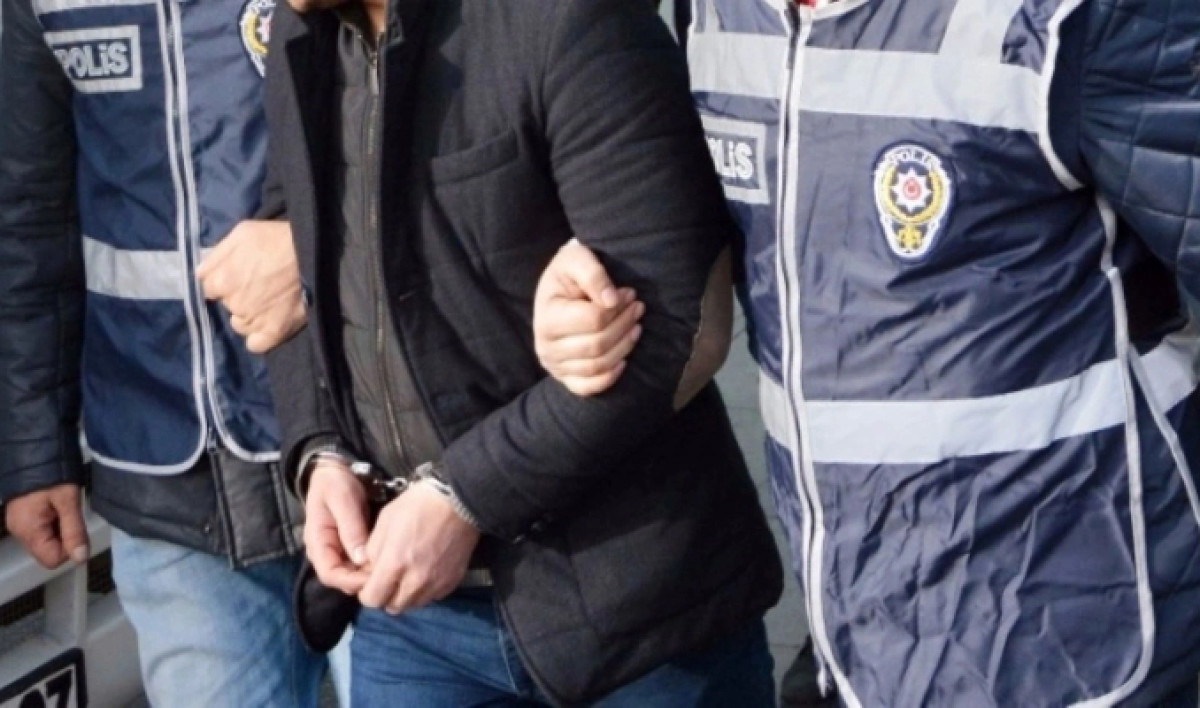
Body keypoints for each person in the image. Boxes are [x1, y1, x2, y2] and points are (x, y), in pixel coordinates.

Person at [533, 0, 1200, 705]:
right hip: (855, 635)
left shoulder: (1076, 16)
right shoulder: (714, 13)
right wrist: (592, 293)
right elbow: (749, 229)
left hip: (1078, 649)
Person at [258, 0, 785, 703]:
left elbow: (676, 326)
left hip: (637, 618)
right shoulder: (302, 31)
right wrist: (322, 452)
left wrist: (464, 498)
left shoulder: (568, 18)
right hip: (414, 623)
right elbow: (293, 271)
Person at [0, 0, 346, 703]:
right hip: (168, 480)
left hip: (369, 447)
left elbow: (461, 114)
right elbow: (30, 218)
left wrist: (314, 246)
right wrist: (36, 450)